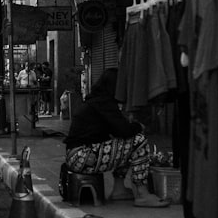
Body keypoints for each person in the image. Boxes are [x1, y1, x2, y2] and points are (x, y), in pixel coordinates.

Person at [63, 67, 170, 208]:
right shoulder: (104, 103)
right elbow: (124, 130)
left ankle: (119, 190)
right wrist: (139, 126)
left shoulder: (96, 101)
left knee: (126, 143)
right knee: (138, 141)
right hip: (83, 156)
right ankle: (142, 193)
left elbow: (119, 132)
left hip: (78, 156)